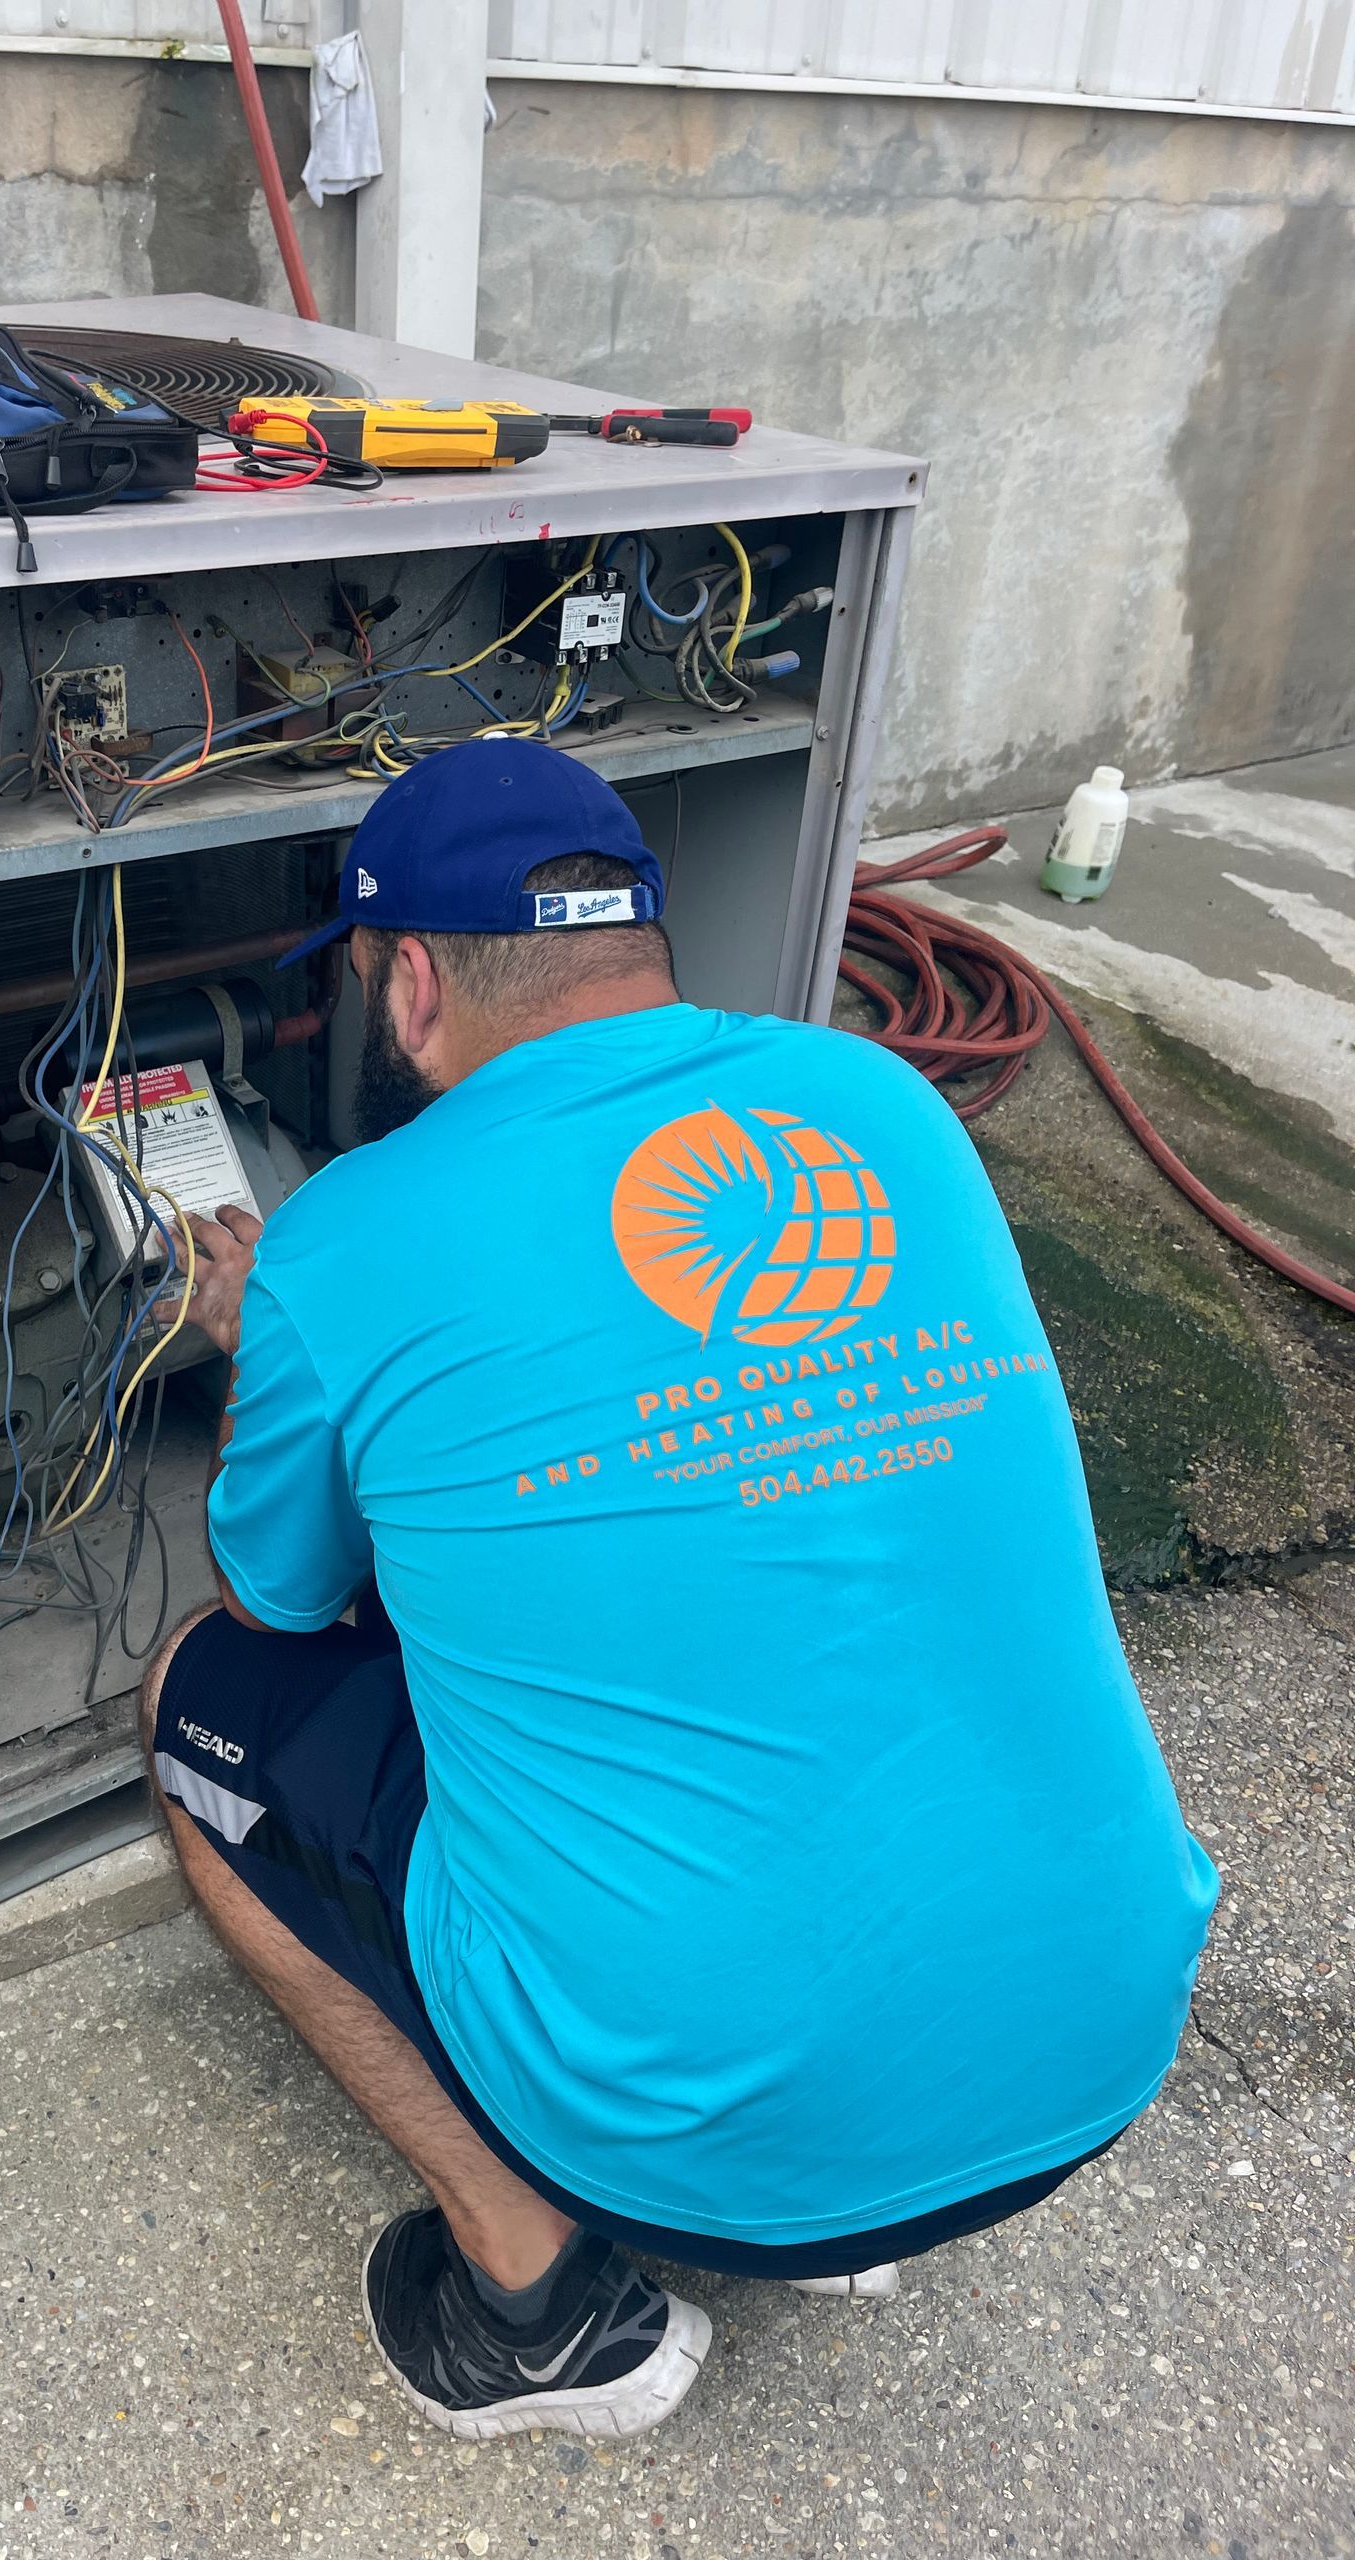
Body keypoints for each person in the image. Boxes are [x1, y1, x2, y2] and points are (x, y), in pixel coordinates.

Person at [139, 737, 1217, 2446]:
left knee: (198, 1700)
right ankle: (851, 2169)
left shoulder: (342, 1239)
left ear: (406, 978)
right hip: (1099, 2039)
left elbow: (283, 1602)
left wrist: (256, 1334)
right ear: (638, 936)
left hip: (689, 2130)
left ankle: (538, 2311)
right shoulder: (883, 1107)